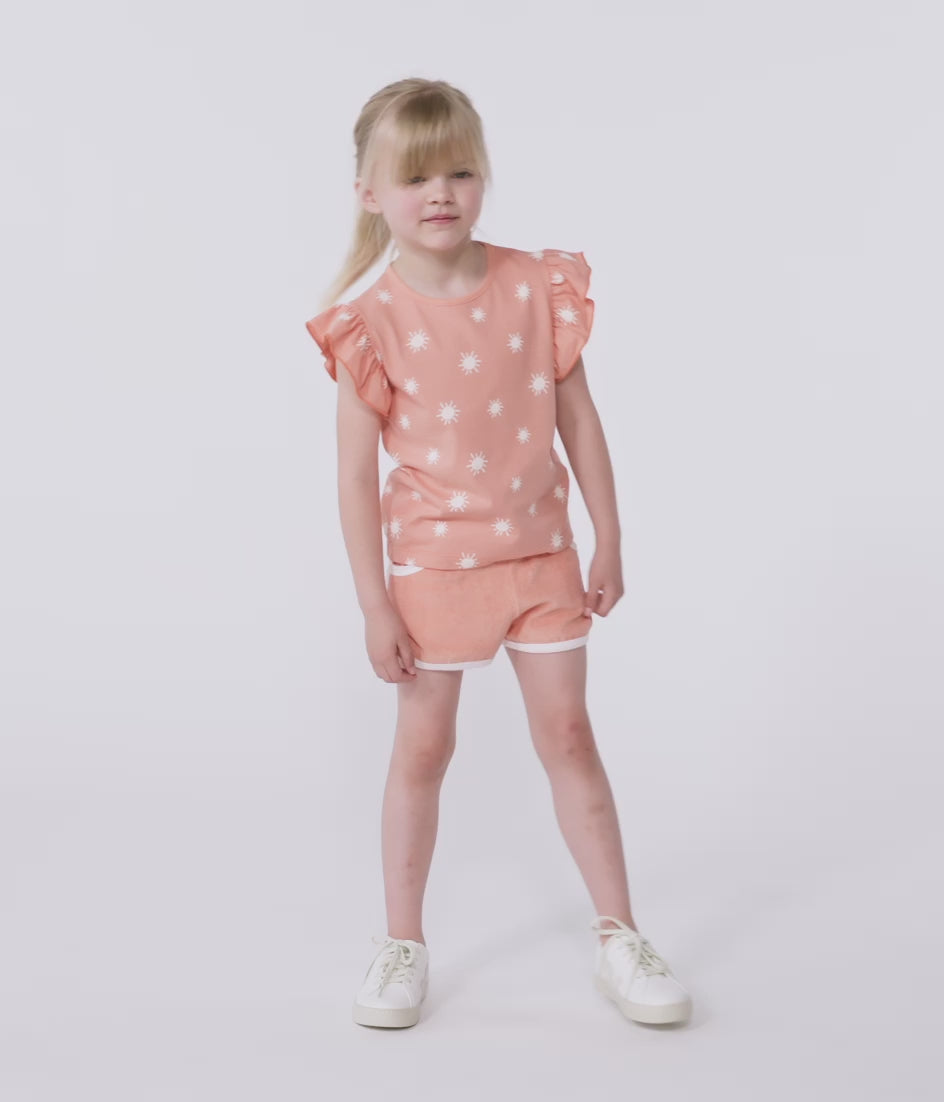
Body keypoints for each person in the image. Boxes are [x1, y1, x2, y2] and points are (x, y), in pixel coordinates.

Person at [304, 77, 692, 1030]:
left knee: (569, 737)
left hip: (543, 559)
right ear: (369, 193)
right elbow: (354, 478)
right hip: (435, 574)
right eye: (415, 177)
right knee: (423, 749)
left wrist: (608, 535)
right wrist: (375, 604)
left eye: (459, 172)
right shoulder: (370, 322)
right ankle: (402, 942)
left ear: (483, 178)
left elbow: (579, 420)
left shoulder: (533, 286)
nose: (440, 193)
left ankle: (620, 934)